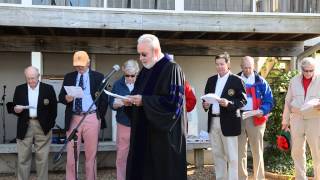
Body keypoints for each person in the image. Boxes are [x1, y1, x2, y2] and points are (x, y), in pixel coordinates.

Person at [123, 34, 187, 180]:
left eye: (144, 54)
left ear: (156, 51)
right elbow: (137, 95)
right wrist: (129, 102)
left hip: (163, 138)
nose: (141, 58)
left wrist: (144, 101)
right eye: (139, 54)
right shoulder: (145, 71)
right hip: (144, 135)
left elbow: (173, 104)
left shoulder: (172, 69)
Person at [59, 51, 108, 180]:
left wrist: (98, 116)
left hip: (91, 117)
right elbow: (61, 97)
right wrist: (66, 98)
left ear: (88, 63)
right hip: (73, 117)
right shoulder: (69, 76)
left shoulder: (98, 77)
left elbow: (104, 100)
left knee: (91, 155)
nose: (79, 67)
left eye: (81, 65)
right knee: (71, 154)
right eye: (76, 65)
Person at [202, 52, 247, 180]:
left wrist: (229, 103)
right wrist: (205, 105)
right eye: (217, 64)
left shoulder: (237, 80)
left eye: (222, 64)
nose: (219, 67)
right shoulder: (211, 80)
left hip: (229, 121)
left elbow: (243, 101)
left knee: (232, 156)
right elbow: (206, 99)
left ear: (228, 64)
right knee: (217, 155)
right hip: (214, 121)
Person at [13, 66, 57, 180]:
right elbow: (15, 108)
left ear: (38, 76)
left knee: (42, 158)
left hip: (42, 125)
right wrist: (16, 110)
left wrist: (50, 124)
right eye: (28, 78)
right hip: (24, 124)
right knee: (23, 157)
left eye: (33, 78)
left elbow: (54, 109)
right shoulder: (19, 89)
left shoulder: (48, 89)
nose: (31, 81)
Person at [282, 57, 320, 180]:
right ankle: (300, 178)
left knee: (317, 151)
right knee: (297, 151)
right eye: (306, 70)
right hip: (297, 118)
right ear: (301, 69)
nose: (308, 73)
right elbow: (288, 101)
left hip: (315, 119)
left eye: (311, 70)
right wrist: (285, 120)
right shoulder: (294, 81)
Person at [237, 56, 273, 180]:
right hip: (239, 118)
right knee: (239, 151)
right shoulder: (235, 80)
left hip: (256, 118)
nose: (248, 70)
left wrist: (262, 110)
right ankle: (241, 177)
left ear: (254, 67)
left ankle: (259, 178)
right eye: (245, 67)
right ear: (241, 67)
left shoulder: (261, 81)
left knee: (257, 150)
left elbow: (269, 99)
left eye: (250, 68)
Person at [109, 59, 139, 180]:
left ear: (137, 73)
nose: (130, 78)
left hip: (139, 124)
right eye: (127, 75)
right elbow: (111, 104)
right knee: (122, 155)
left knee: (139, 154)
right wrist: (121, 102)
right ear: (123, 71)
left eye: (133, 75)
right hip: (124, 123)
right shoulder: (117, 84)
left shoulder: (142, 84)